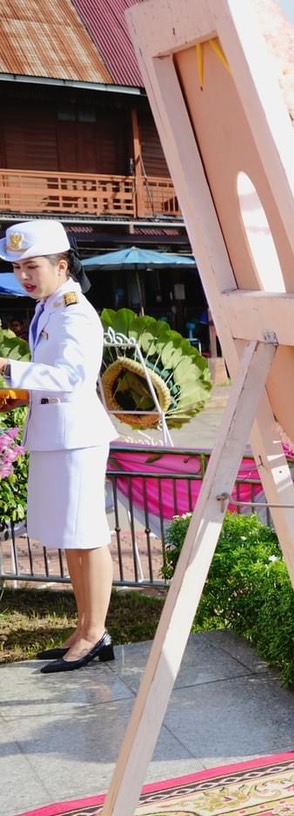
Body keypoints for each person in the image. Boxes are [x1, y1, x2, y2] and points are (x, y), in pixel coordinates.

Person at [1, 220, 118, 673]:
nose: (24, 276)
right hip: (57, 436)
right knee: (72, 539)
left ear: (62, 264)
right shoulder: (49, 308)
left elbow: (72, 379)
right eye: (17, 268)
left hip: (76, 438)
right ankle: (86, 628)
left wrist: (9, 369)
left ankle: (95, 634)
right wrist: (17, 390)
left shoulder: (73, 311)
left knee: (88, 538)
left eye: (32, 266)